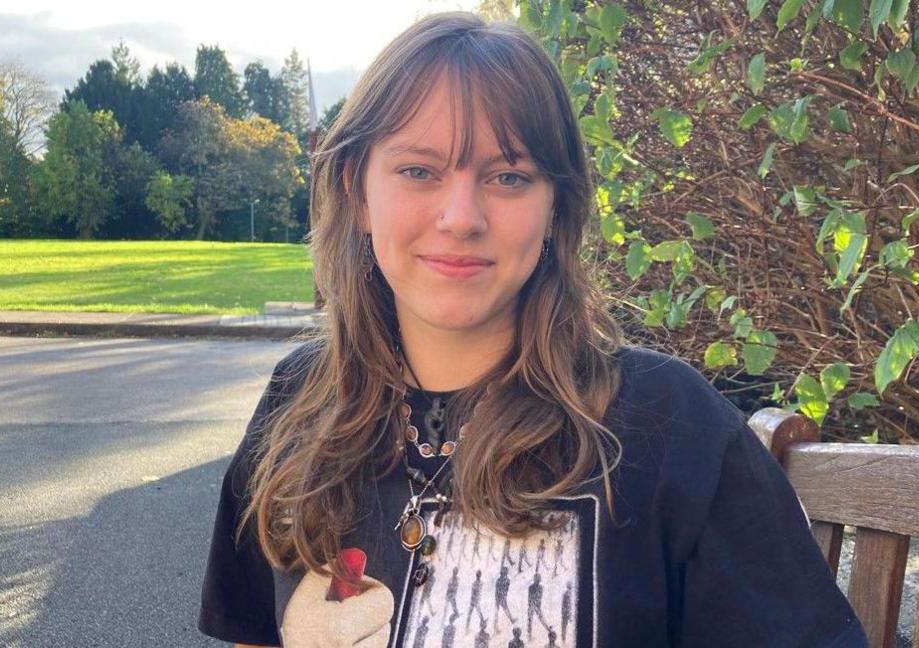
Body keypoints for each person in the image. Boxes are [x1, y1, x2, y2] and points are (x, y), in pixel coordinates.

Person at [199, 11, 867, 648]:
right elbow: (256, 628)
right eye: (418, 171)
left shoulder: (670, 428)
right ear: (356, 191)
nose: (461, 216)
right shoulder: (298, 402)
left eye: (509, 176)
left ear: (555, 209)